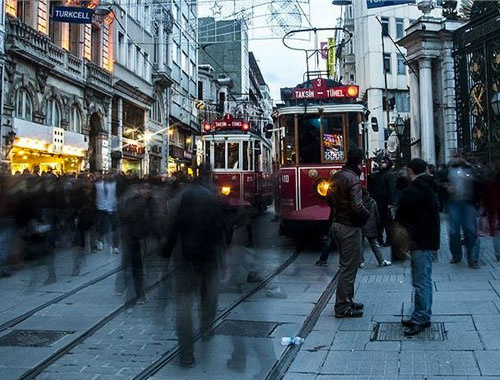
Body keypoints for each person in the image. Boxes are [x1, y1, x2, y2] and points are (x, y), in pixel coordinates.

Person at [162, 182, 225, 367]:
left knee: (183, 304)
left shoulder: (182, 199)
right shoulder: (213, 200)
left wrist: (165, 255)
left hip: (185, 258)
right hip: (209, 258)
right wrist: (221, 254)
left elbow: (173, 229)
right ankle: (206, 328)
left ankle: (186, 355)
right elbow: (221, 230)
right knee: (210, 296)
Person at [395, 159, 440, 337]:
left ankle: (420, 318)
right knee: (425, 281)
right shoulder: (427, 186)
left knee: (421, 282)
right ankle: (422, 315)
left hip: (421, 241)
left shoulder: (416, 190)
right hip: (427, 239)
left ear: (411, 170)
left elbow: (402, 211)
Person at [329, 148, 369, 318]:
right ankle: (342, 305)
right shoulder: (353, 179)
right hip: (350, 227)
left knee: (347, 265)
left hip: (337, 224)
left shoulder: (337, 176)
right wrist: (366, 216)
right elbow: (357, 206)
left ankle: (347, 299)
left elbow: (328, 198)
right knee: (349, 267)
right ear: (359, 162)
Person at [444, 153, 480, 268]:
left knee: (470, 230)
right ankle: (456, 255)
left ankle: (472, 258)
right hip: (453, 203)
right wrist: (446, 187)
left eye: (459, 156)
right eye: (455, 156)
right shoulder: (448, 169)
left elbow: (480, 181)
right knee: (454, 231)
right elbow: (439, 181)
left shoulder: (470, 168)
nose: (457, 159)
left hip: (468, 203)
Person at [360, 188, 392, 268]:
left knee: (360, 245)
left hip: (360, 226)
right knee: (374, 244)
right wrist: (378, 226)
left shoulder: (359, 203)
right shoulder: (372, 202)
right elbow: (377, 215)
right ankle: (381, 261)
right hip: (371, 227)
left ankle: (361, 262)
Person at [369, 156, 397, 246]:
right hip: (378, 202)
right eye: (380, 162)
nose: (381, 164)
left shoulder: (390, 175)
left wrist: (391, 203)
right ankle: (380, 239)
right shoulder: (377, 175)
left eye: (383, 162)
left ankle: (388, 240)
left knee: (387, 223)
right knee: (379, 223)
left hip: (385, 203)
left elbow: (392, 190)